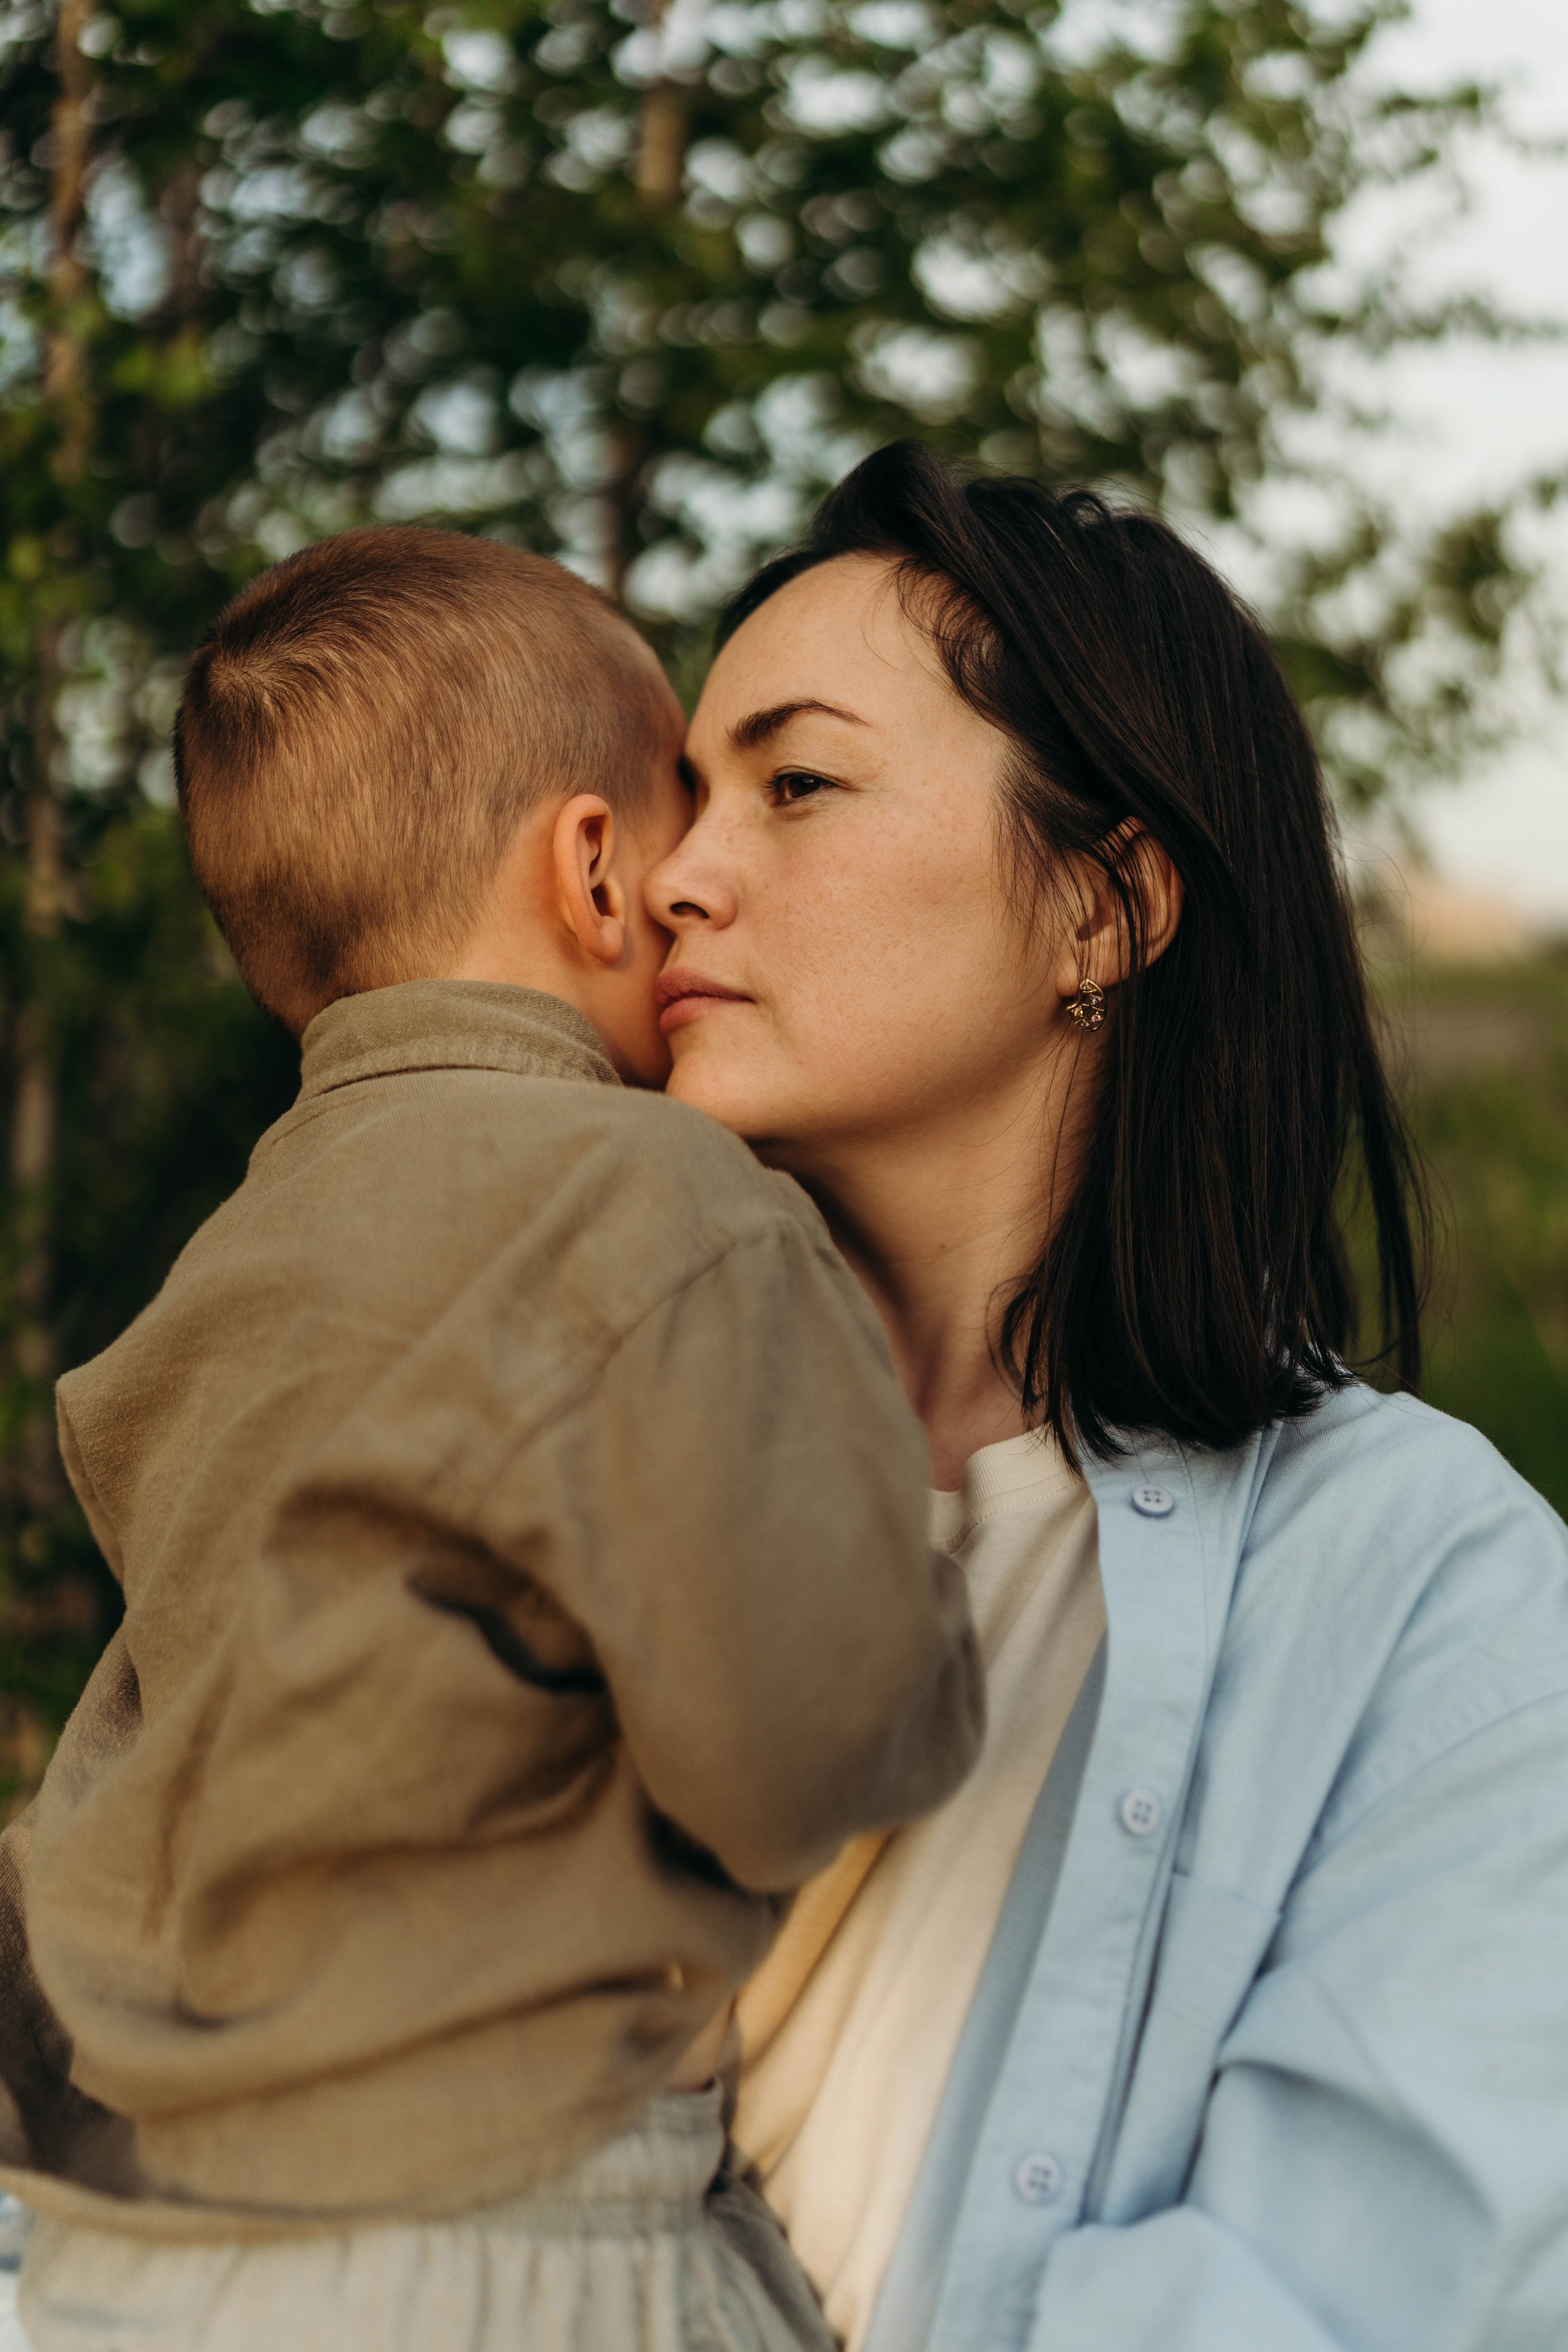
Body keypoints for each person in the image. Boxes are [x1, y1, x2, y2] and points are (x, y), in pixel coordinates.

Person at [0, 527, 984, 2352]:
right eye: (683, 801)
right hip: (497, 2232)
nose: (704, 875)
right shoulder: (660, 1202)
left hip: (123, 2254)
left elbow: (133, 1767)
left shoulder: (233, 1266)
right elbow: (798, 1745)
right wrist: (923, 1595)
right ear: (594, 870)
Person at [646, 440, 1568, 2352]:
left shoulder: (1434, 1592)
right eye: (680, 796)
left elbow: (1365, 2289)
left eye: (793, 784)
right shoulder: (534, 1474)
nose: (676, 875)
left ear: (1104, 908)